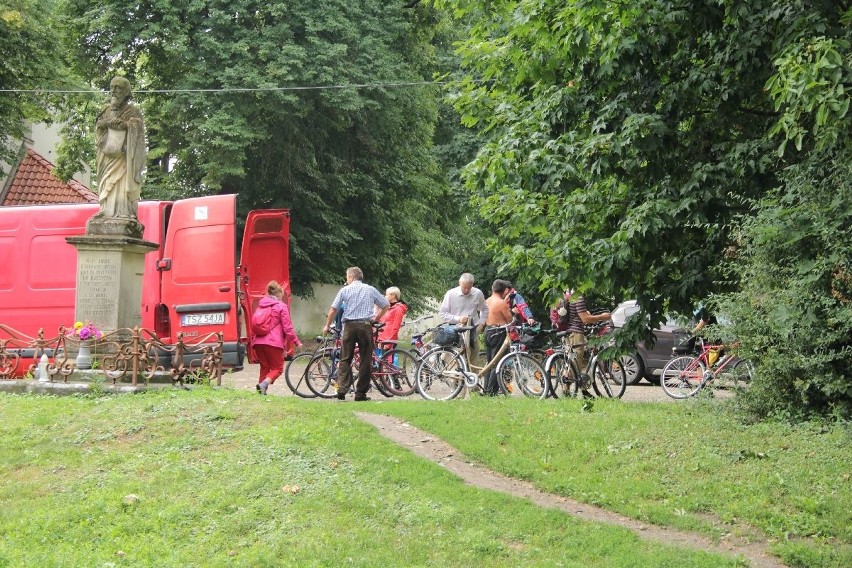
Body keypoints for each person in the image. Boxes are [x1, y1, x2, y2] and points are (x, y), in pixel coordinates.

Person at [322, 267, 389, 401]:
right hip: (365, 326)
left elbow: (333, 309)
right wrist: (376, 319)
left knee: (345, 358)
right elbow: (385, 304)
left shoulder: (345, 290)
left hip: (349, 327)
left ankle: (341, 390)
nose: (346, 279)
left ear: (352, 277)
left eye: (347, 277)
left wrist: (327, 325)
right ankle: (360, 393)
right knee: (365, 359)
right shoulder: (370, 289)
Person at [93, 76, 146, 220]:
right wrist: (108, 122)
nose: (113, 91)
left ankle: (124, 212)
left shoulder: (133, 111)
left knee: (121, 184)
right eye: (112, 87)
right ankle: (106, 210)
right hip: (107, 157)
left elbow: (138, 132)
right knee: (106, 183)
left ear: (126, 92)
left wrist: (126, 125)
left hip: (123, 159)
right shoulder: (106, 110)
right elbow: (99, 127)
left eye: (118, 88)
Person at [253, 280, 302, 395]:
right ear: (278, 293)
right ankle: (263, 385)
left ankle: (261, 393)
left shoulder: (261, 305)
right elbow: (288, 328)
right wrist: (297, 342)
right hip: (273, 343)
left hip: (258, 342)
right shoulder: (281, 306)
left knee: (264, 367)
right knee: (278, 368)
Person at [550, 288, 610, 375]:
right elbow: (585, 319)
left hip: (567, 333)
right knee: (575, 365)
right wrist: (602, 316)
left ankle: (576, 386)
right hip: (576, 334)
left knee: (570, 363)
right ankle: (567, 385)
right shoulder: (577, 297)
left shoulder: (567, 294)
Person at [439, 273, 488, 365]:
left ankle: (472, 376)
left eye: (468, 288)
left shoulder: (477, 293)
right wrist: (458, 319)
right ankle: (455, 376)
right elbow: (442, 313)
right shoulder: (451, 294)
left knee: (474, 354)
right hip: (455, 329)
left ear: (472, 285)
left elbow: (484, 309)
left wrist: (482, 323)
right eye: (464, 287)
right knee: (455, 357)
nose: (466, 290)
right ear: (459, 283)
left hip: (473, 328)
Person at [483, 279, 514, 395]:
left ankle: (486, 388)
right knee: (498, 362)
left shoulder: (486, 301)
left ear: (492, 288)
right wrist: (513, 312)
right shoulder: (501, 303)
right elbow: (509, 320)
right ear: (503, 291)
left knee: (489, 362)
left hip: (488, 331)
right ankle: (491, 391)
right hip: (498, 332)